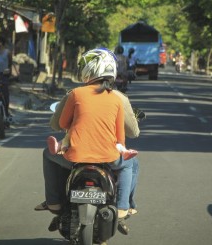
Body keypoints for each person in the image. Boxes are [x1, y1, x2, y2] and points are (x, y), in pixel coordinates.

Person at [35, 48, 140, 235]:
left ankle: (54, 202)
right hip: (108, 156)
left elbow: (59, 124)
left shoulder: (75, 93)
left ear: (88, 70)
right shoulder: (118, 99)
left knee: (48, 154)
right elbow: (129, 134)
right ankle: (124, 207)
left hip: (75, 155)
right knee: (130, 163)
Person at [0, 37, 12, 118]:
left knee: (5, 94)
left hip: (4, 74)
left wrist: (9, 72)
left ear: (1, 43)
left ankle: (6, 111)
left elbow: (10, 63)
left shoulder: (7, 52)